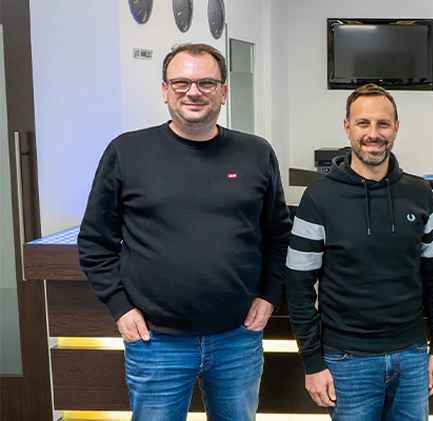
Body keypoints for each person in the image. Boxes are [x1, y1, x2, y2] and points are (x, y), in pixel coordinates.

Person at [77, 43, 291, 420]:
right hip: (155, 341)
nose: (194, 92)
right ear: (165, 90)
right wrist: (119, 306)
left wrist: (271, 294)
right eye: (181, 83)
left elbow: (279, 236)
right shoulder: (127, 152)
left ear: (223, 92)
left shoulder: (256, 153)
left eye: (206, 83)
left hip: (237, 338)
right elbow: (95, 242)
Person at [285, 83, 433, 421]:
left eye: (383, 124)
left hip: (412, 357)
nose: (373, 134)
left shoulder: (420, 193)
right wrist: (312, 362)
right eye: (363, 123)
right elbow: (298, 287)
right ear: (347, 127)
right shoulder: (318, 198)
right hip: (346, 362)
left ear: (396, 128)